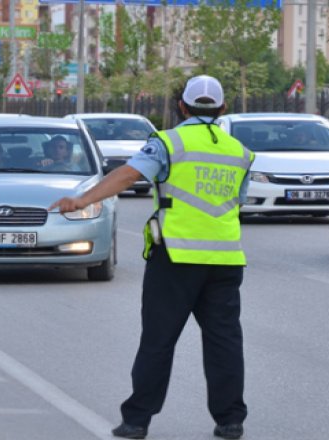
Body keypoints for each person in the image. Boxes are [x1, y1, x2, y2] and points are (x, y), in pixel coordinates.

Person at [49, 75, 254, 440]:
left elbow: (128, 175)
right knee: (224, 342)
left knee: (158, 340)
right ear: (223, 109)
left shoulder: (168, 142)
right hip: (225, 259)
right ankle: (230, 420)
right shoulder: (239, 152)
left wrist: (83, 200)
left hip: (175, 256)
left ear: (182, 106)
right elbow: (237, 202)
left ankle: (137, 421)